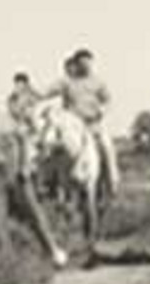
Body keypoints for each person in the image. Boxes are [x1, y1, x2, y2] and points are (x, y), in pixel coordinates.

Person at [0, 91, 68, 268]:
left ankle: (52, 251)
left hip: (17, 174)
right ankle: (8, 262)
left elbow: (23, 142)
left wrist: (25, 166)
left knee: (35, 214)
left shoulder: (7, 120)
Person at [42, 49, 120, 196]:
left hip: (93, 125)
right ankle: (50, 182)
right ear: (77, 64)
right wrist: (34, 93)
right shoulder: (67, 82)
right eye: (82, 63)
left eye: (88, 63)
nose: (86, 66)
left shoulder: (98, 82)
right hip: (73, 126)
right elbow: (47, 92)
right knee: (53, 147)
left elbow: (108, 101)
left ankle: (112, 182)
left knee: (106, 146)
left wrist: (102, 111)